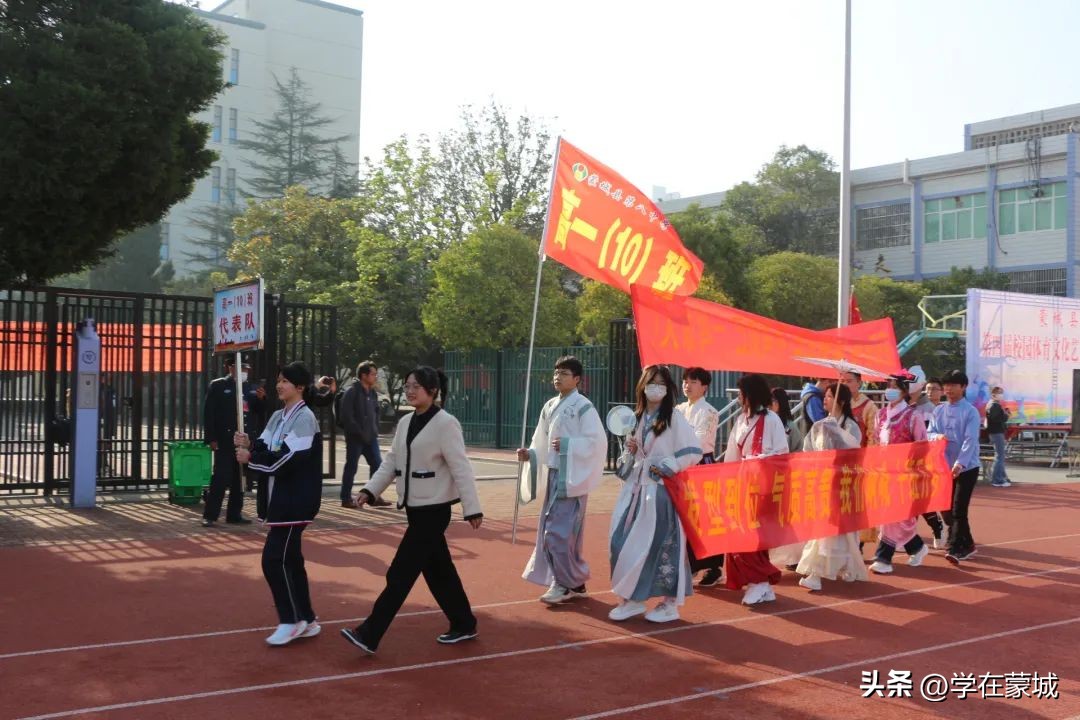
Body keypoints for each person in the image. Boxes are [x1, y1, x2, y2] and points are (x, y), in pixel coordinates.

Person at [341, 367, 483, 655]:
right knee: (439, 572)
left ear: (432, 391)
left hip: (435, 510)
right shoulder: (405, 422)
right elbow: (392, 461)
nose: (409, 390)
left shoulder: (446, 424)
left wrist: (472, 508)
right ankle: (464, 622)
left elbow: (461, 467)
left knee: (400, 573)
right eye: (407, 385)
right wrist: (370, 490)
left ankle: (370, 633)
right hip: (414, 508)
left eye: (416, 386)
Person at [234, 361, 323, 646]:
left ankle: (291, 619)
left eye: (285, 381)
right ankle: (306, 619)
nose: (278, 385)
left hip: (295, 502)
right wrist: (248, 443)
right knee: (292, 561)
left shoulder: (305, 419)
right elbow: (263, 446)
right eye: (279, 380)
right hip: (278, 502)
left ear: (300, 387)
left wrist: (251, 460)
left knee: (274, 560)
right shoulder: (277, 416)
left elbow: (287, 460)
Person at [609, 365, 702, 623]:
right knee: (621, 542)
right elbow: (632, 456)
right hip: (635, 491)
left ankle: (669, 602)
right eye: (652, 382)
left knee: (662, 545)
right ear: (643, 385)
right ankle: (634, 599)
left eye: (661, 383)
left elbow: (693, 451)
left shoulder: (674, 417)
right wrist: (630, 449)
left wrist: (666, 465)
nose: (656, 387)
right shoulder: (636, 417)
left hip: (660, 492)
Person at [518, 356, 608, 604]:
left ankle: (564, 583)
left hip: (573, 477)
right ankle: (573, 581)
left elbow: (597, 442)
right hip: (557, 475)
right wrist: (531, 454)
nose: (558, 376)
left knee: (559, 533)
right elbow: (541, 440)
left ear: (577, 379)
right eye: (556, 372)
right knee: (556, 531)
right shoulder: (549, 406)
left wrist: (569, 445)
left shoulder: (583, 407)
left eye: (565, 373)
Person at [795, 382, 869, 592]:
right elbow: (808, 448)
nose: (825, 400)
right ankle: (826, 570)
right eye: (825, 396)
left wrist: (834, 432)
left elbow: (852, 449)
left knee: (840, 530)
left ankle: (819, 572)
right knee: (823, 527)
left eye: (828, 396)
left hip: (843, 485)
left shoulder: (850, 425)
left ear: (841, 400)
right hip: (823, 483)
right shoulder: (820, 424)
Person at [723, 374, 787, 605]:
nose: (740, 398)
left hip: (762, 486)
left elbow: (782, 452)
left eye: (742, 394)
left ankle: (760, 581)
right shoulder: (741, 420)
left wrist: (761, 458)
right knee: (739, 534)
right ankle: (759, 583)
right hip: (742, 483)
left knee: (754, 536)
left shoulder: (771, 419)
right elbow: (732, 452)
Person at [868, 373, 931, 574]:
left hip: (904, 474)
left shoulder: (913, 416)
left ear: (904, 391)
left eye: (894, 386)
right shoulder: (881, 415)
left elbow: (922, 446)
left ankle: (884, 557)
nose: (890, 389)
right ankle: (917, 547)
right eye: (889, 385)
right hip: (883, 473)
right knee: (889, 514)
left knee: (894, 515)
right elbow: (877, 443)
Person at [202, 355, 265, 527]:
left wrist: (261, 400)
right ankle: (210, 515)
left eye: (246, 369)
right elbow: (209, 414)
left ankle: (234, 514)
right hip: (224, 439)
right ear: (230, 367)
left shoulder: (250, 388)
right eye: (241, 368)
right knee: (221, 478)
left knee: (240, 478)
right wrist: (211, 438)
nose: (244, 372)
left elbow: (259, 412)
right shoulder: (219, 385)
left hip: (244, 441)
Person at [928, 369, 982, 564]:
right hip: (944, 467)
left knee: (959, 509)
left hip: (967, 468)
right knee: (946, 508)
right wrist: (937, 437)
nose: (948, 389)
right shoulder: (939, 410)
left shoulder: (970, 412)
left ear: (963, 387)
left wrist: (960, 463)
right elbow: (929, 432)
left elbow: (970, 440)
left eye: (953, 385)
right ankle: (967, 542)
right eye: (946, 385)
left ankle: (955, 547)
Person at [676, 367, 724, 587]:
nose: (687, 385)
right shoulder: (677, 409)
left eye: (693, 381)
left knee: (704, 518)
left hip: (701, 466)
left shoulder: (710, 412)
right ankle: (689, 563)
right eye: (685, 381)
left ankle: (712, 566)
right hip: (680, 467)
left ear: (704, 386)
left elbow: (700, 441)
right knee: (683, 517)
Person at [340, 361, 393, 508]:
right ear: (363, 375)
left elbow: (375, 412)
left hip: (371, 437)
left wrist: (375, 428)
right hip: (355, 438)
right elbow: (346, 416)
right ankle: (345, 498)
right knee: (351, 467)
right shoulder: (352, 392)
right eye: (373, 374)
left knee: (377, 465)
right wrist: (358, 431)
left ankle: (373, 496)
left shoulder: (372, 393)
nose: (375, 377)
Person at [767, 387, 805, 570]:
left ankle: (794, 556)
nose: (770, 405)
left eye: (773, 401)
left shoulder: (790, 426)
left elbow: (798, 449)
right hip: (769, 477)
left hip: (786, 477)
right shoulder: (766, 422)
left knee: (788, 517)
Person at [839, 370, 879, 448]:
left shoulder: (869, 406)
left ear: (859, 383)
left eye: (849, 381)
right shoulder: (837, 404)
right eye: (842, 381)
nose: (845, 385)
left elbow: (873, 437)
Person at [986, 385, 1012, 488]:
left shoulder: (993, 405)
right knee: (1000, 456)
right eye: (1000, 393)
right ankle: (997, 480)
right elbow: (997, 419)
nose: (1002, 395)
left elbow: (996, 418)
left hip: (995, 432)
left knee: (1000, 456)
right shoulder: (994, 405)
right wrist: (1006, 415)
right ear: (993, 394)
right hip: (997, 432)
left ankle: (1001, 478)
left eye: (1002, 393)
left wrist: (1004, 414)